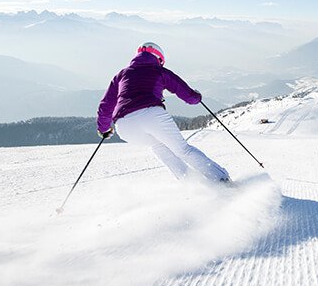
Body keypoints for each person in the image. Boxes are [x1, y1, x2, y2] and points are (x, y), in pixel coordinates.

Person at [97, 42, 231, 183]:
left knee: (158, 145)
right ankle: (222, 180)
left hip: (124, 126)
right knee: (183, 150)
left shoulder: (121, 74)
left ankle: (193, 184)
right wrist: (196, 97)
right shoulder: (159, 71)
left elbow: (106, 105)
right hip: (151, 115)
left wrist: (104, 128)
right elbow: (186, 94)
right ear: (159, 58)